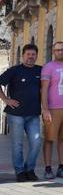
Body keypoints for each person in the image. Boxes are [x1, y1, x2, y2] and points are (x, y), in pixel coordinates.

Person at [0, 44, 42, 182]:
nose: (31, 57)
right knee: (17, 145)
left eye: (33, 54)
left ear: (36, 56)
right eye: (28, 54)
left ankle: (29, 169)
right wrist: (6, 100)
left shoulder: (40, 70)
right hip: (16, 114)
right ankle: (20, 172)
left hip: (33, 114)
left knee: (36, 143)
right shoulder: (14, 71)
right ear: (23, 56)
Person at [40, 41, 63, 179]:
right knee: (49, 139)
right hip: (53, 109)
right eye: (58, 50)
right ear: (53, 52)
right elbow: (44, 90)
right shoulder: (48, 67)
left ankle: (62, 166)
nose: (60, 52)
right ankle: (48, 168)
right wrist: (45, 109)